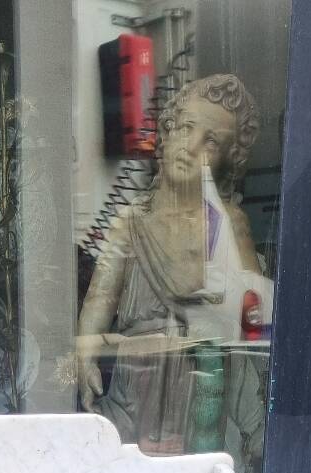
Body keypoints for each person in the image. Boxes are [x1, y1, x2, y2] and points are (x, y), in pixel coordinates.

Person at [77, 73, 261, 453]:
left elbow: (254, 315)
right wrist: (85, 356)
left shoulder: (226, 220)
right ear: (167, 131)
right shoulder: (131, 221)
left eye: (211, 141)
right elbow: (100, 297)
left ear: (228, 159)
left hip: (202, 384)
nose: (191, 147)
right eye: (187, 128)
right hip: (136, 381)